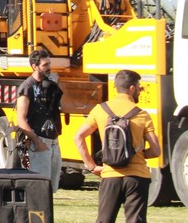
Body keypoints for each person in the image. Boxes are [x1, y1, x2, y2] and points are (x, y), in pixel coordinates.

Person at [74, 70, 161, 223]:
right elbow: (155, 150)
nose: (140, 90)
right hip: (137, 177)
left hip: (110, 175)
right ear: (132, 88)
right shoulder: (142, 114)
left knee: (104, 219)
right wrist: (135, 154)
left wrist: (92, 166)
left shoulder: (100, 110)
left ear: (116, 87)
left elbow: (78, 137)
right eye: (139, 87)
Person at [15, 49, 63, 189]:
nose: (48, 67)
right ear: (35, 66)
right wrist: (37, 142)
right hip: (39, 140)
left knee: (51, 187)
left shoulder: (50, 85)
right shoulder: (27, 87)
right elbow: (21, 120)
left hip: (53, 140)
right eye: (45, 65)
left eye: (49, 63)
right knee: (40, 187)